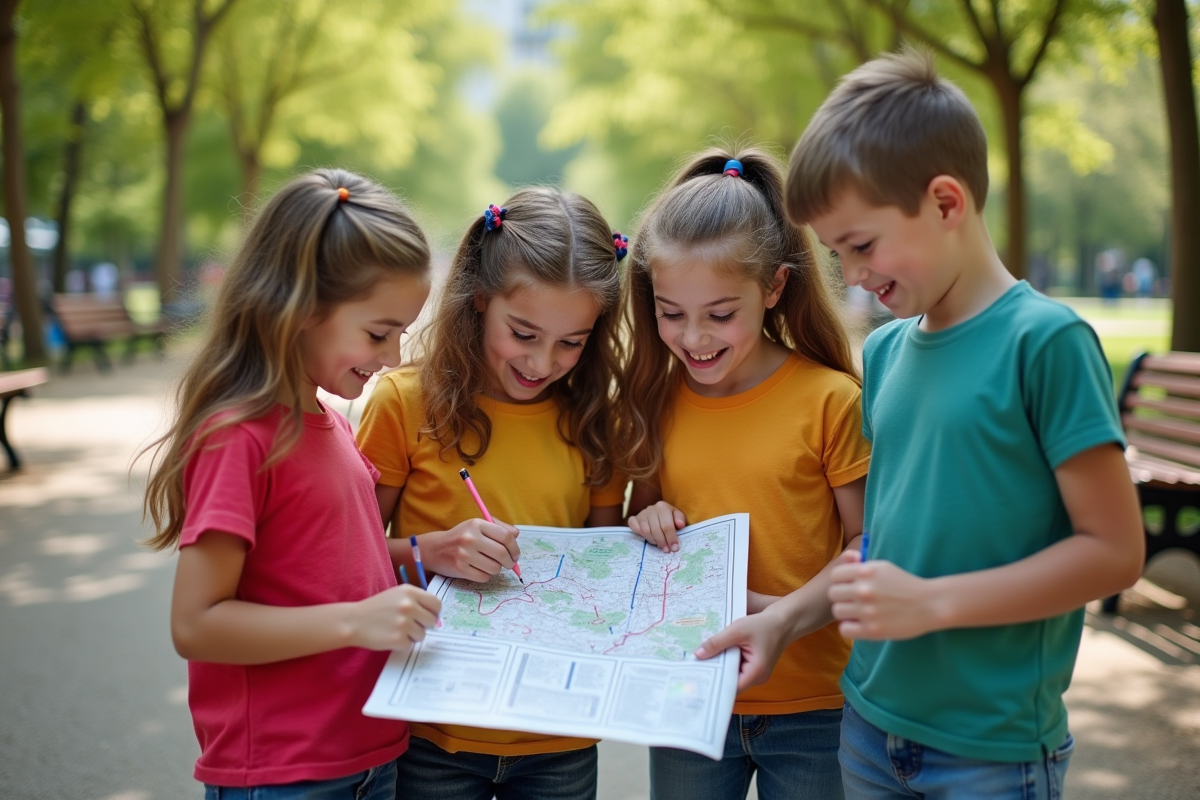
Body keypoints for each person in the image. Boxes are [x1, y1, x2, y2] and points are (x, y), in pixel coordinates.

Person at [785, 49, 1144, 798]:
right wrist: (780, 623)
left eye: (862, 246)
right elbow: (885, 544)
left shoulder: (1046, 344)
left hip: (991, 750)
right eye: (834, 254)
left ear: (946, 203)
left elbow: (1114, 552)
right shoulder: (883, 353)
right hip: (868, 728)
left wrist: (932, 605)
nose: (851, 276)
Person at [141, 169, 442, 799]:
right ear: (302, 311)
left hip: (368, 755)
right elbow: (196, 623)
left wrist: (423, 554)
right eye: (377, 333)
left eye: (401, 334)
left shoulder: (328, 420)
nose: (391, 357)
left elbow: (321, 563)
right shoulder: (240, 437)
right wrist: (356, 623)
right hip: (285, 773)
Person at [355, 187, 628, 800]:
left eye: (571, 341)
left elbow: (604, 566)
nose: (542, 361)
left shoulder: (596, 419)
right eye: (523, 333)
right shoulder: (402, 401)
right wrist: (429, 551)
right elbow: (352, 557)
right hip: (433, 726)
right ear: (479, 298)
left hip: (558, 730)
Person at [619, 146, 870, 800]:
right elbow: (640, 531)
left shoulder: (829, 400)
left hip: (817, 704)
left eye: (720, 314)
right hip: (689, 695)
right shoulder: (654, 400)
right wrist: (642, 518)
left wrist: (782, 615)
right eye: (671, 313)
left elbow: (867, 546)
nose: (694, 337)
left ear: (775, 288)